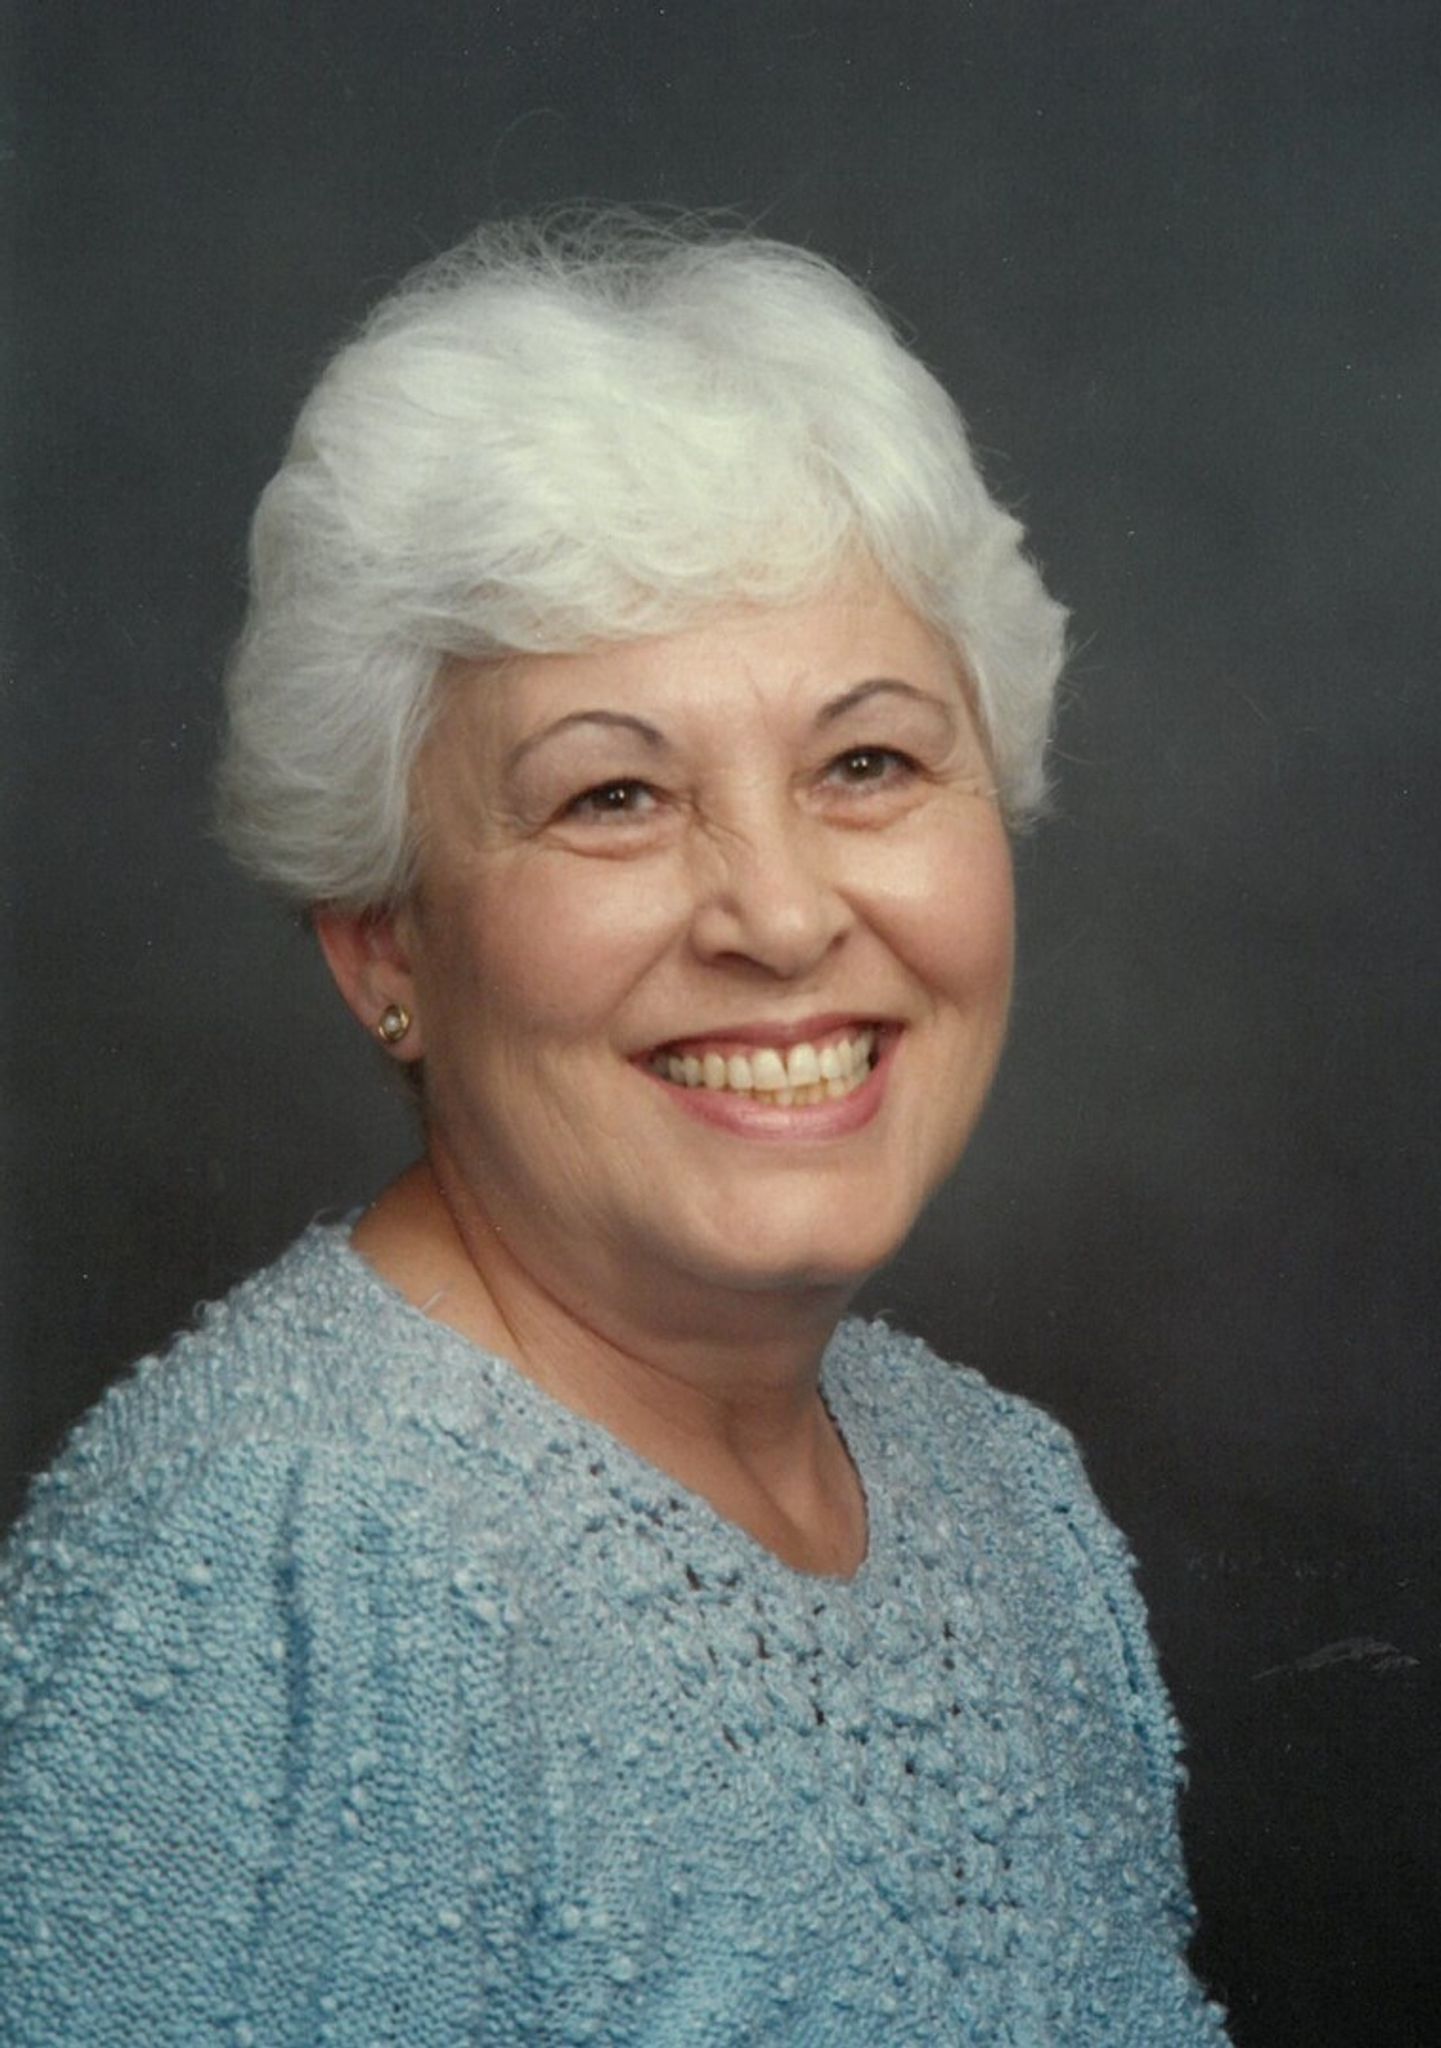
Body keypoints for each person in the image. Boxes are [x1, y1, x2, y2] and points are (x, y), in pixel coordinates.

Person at [0, 212, 1228, 2043]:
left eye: (867, 762)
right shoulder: (265, 1582)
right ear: (384, 942)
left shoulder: (1002, 1495)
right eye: (614, 795)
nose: (781, 915)